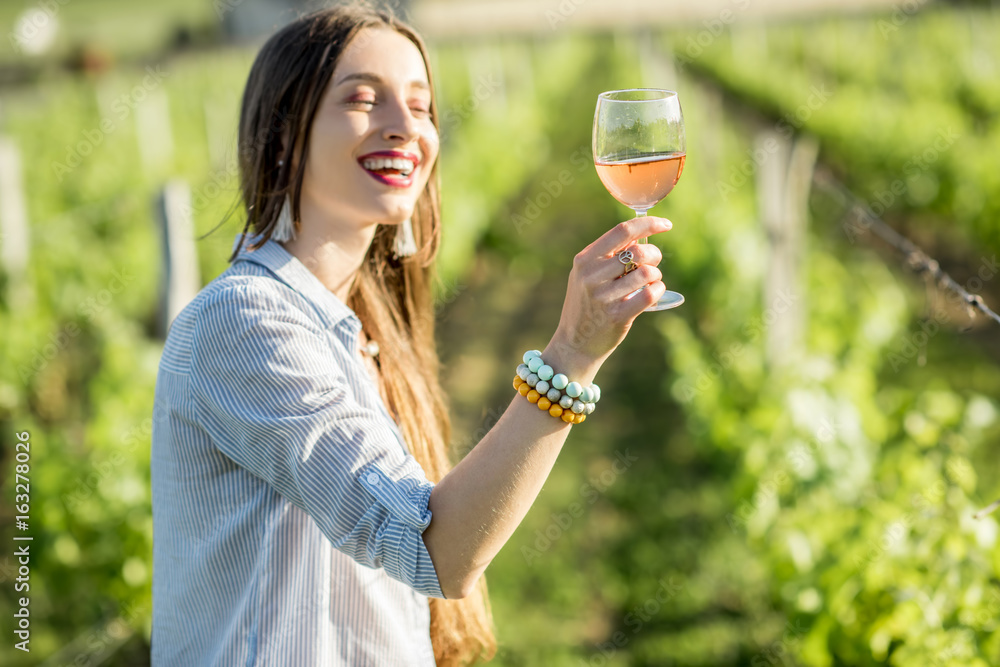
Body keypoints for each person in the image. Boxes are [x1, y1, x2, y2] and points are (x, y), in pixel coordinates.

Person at [150, 3, 672, 666]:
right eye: (364, 99)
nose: (405, 128)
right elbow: (434, 550)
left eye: (422, 107)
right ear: (285, 132)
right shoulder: (246, 323)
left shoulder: (356, 323)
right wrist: (571, 354)